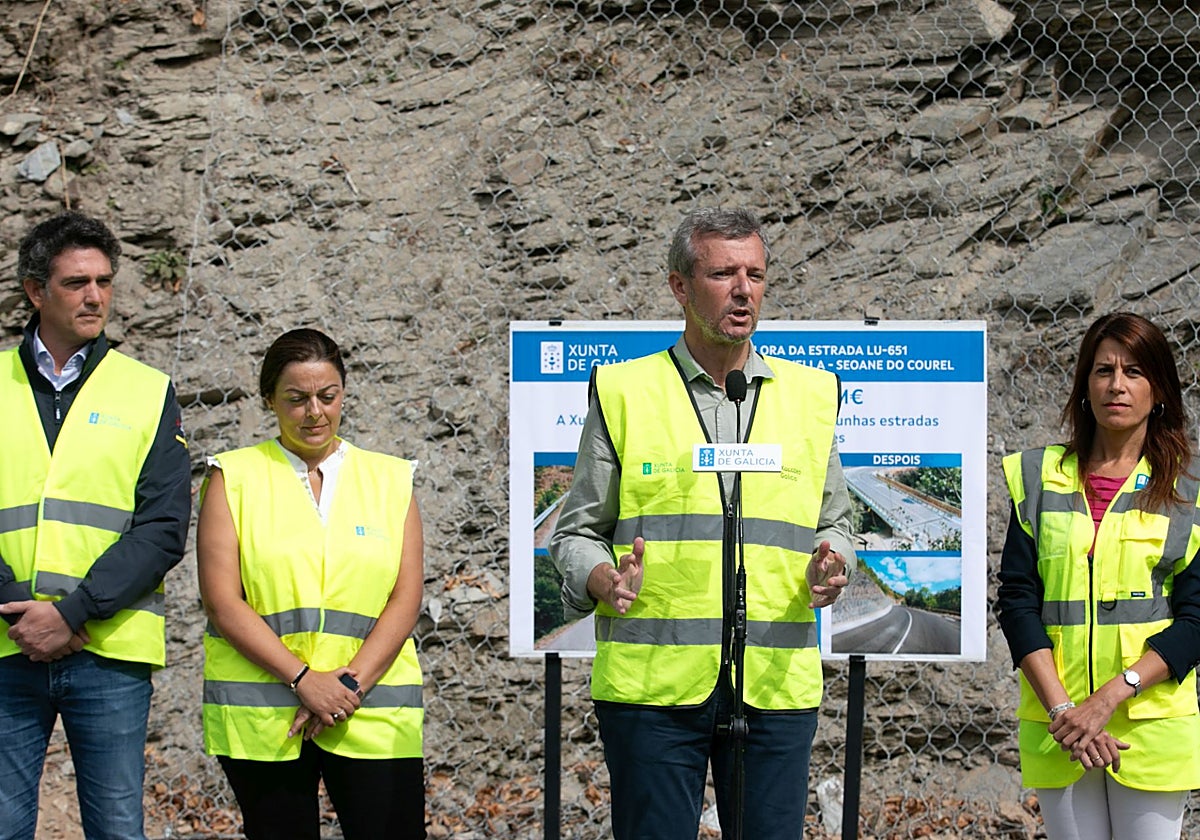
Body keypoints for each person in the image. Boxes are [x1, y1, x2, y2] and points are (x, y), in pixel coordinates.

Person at [549, 207, 856, 840]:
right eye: (723, 274)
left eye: (756, 274)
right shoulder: (624, 391)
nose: (744, 290)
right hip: (652, 690)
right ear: (679, 286)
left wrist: (837, 563)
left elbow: (838, 524)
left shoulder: (812, 395)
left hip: (772, 686)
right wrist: (603, 578)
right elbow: (574, 533)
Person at [0, 211, 191, 840]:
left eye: (105, 281)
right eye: (77, 282)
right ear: (36, 291)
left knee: (116, 828)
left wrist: (74, 612)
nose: (95, 296)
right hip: (5, 645)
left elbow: (163, 527)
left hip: (106, 649)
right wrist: (18, 612)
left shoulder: (147, 390)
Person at [196, 328, 426, 840]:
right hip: (266, 716)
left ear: (344, 393)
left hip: (370, 709)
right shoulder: (232, 477)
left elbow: (405, 596)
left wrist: (346, 687)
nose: (314, 412)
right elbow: (222, 601)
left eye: (328, 396)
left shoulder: (391, 480)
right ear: (269, 401)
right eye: (296, 399)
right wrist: (305, 680)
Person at [997, 312, 1200, 840]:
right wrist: (1067, 710)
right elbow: (1017, 602)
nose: (1116, 384)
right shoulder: (1038, 476)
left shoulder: (1191, 488)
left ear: (1159, 390)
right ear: (1085, 385)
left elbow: (1196, 618)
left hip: (1148, 727)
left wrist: (1108, 698)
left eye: (1134, 371)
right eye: (1103, 369)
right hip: (1059, 725)